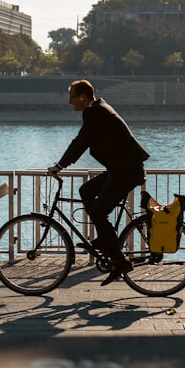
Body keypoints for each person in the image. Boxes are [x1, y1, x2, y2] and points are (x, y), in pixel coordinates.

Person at [47, 79, 150, 285]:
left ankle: (120, 262)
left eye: (72, 97)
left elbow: (81, 142)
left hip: (127, 172)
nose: (70, 103)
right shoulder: (96, 110)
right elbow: (84, 141)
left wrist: (59, 165)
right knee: (86, 191)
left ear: (83, 97)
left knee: (97, 212)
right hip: (120, 170)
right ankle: (105, 238)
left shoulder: (96, 113)